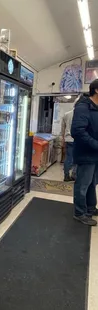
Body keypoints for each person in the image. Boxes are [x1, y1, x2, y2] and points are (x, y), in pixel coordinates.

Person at [71, 79, 98, 226]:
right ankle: (79, 213)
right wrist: (96, 144)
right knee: (82, 185)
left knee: (92, 184)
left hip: (94, 155)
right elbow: (77, 131)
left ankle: (90, 208)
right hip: (86, 154)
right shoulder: (83, 107)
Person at [62, 109, 75, 182]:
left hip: (68, 139)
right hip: (78, 140)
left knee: (68, 158)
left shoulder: (66, 114)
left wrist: (63, 139)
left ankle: (66, 176)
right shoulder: (82, 114)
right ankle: (74, 175)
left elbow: (63, 128)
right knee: (77, 158)